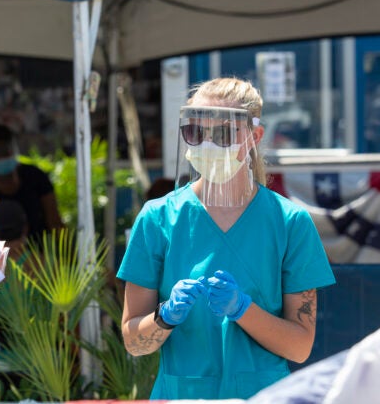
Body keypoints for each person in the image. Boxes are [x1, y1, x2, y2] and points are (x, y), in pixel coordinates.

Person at [117, 77, 336, 400]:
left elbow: (300, 347)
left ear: (255, 136)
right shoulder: (157, 218)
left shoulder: (290, 223)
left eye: (223, 133)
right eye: (195, 132)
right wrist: (164, 317)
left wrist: (243, 309)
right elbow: (134, 341)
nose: (206, 143)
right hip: (182, 395)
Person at [0, 123, 63, 246]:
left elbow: (55, 222)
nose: (1, 156)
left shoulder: (35, 177)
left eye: (5, 150)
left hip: (37, 254)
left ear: (13, 148)